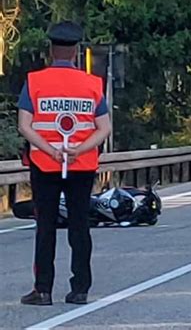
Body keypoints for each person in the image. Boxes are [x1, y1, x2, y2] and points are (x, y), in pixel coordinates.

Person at [18, 21, 111, 306]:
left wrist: (51, 150)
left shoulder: (34, 81)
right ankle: (80, 288)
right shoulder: (93, 83)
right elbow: (104, 127)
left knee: (45, 225)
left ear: (50, 50)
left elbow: (24, 125)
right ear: (76, 53)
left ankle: (43, 290)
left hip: (45, 165)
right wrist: (77, 150)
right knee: (79, 225)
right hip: (82, 165)